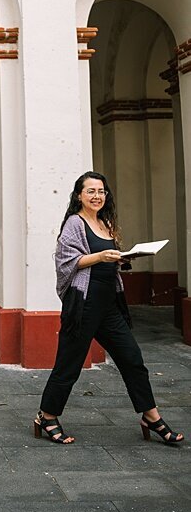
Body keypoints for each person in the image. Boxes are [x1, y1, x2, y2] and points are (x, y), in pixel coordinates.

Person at [35, 171, 184, 447]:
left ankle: (150, 417)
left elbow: (108, 262)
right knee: (69, 364)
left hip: (109, 305)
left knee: (132, 359)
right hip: (83, 304)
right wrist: (100, 256)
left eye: (101, 191)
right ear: (79, 195)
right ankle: (47, 416)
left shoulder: (105, 222)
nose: (97, 196)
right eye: (90, 191)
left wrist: (123, 258)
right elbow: (67, 261)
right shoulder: (74, 223)